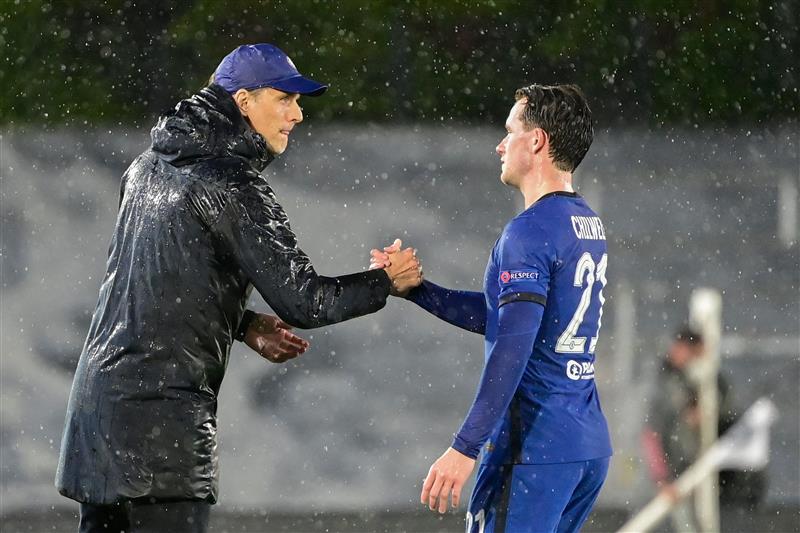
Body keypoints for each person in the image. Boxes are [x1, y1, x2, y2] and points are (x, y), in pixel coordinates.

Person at [55, 43, 421, 533]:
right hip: (160, 436)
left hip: (96, 422)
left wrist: (242, 323)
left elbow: (149, 282)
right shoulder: (230, 181)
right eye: (284, 99)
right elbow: (305, 300)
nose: (298, 113)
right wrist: (385, 281)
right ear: (244, 102)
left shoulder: (144, 167)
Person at [373, 84, 612, 533]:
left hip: (533, 450)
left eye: (510, 131)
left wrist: (465, 447)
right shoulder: (585, 222)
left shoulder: (529, 231)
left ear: (537, 141)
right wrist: (419, 291)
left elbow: (512, 349)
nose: (500, 145)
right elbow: (510, 320)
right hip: (583, 445)